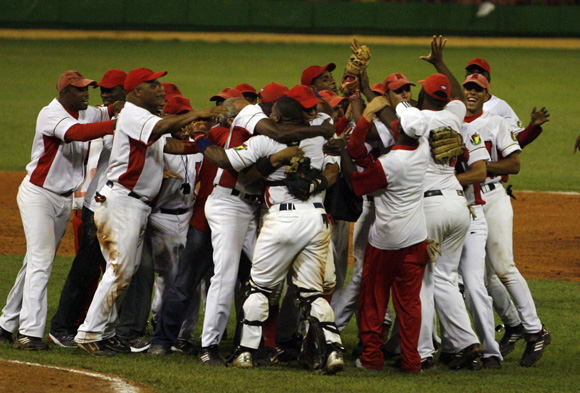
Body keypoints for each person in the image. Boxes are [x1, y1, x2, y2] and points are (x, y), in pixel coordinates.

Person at [73, 67, 225, 357]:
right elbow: (159, 130)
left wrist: (203, 145)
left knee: (124, 270)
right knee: (120, 269)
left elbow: (171, 145)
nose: (159, 89)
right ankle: (90, 333)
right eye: (152, 84)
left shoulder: (145, 118)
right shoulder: (132, 114)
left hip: (133, 204)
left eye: (159, 84)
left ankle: (105, 332)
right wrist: (197, 115)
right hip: (122, 202)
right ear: (135, 92)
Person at [202, 96, 345, 374]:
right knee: (312, 293)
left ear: (276, 119)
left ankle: (246, 352)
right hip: (316, 218)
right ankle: (333, 351)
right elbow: (334, 170)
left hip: (282, 218)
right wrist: (316, 182)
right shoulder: (322, 140)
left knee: (259, 287)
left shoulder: (264, 141)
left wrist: (201, 140)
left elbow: (224, 159)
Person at [0, 71, 116, 349]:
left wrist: (123, 108)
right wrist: (117, 124)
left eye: (88, 88)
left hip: (63, 200)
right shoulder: (50, 114)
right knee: (41, 261)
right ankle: (29, 333)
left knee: (32, 262)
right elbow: (76, 133)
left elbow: (110, 109)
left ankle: (6, 325)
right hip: (39, 196)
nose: (86, 93)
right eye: (79, 90)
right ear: (65, 93)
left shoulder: (87, 111)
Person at [49, 69, 127, 348]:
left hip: (120, 204)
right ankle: (63, 325)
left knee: (116, 270)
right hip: (99, 202)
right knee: (87, 267)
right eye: (101, 90)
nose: (104, 94)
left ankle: (106, 329)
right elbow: (83, 131)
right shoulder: (99, 116)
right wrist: (116, 118)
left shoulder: (123, 114)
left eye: (110, 90)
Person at [352, 100, 430, 374]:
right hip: (417, 240)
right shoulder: (424, 150)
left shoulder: (389, 163)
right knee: (409, 306)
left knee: (374, 299)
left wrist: (363, 118)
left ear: (397, 128)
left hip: (385, 243)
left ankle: (372, 358)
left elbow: (359, 185)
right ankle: (412, 362)